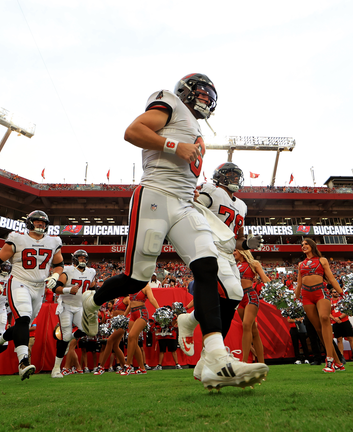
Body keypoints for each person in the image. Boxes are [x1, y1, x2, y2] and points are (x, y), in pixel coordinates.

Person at [79, 74, 268, 389]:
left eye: (211, 98)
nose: (207, 101)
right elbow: (133, 131)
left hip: (183, 205)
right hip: (155, 195)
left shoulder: (197, 130)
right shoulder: (171, 102)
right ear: (189, 90)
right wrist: (173, 145)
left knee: (207, 267)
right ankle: (93, 300)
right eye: (204, 95)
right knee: (136, 279)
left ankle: (216, 359)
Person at [178, 162, 262, 382]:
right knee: (233, 291)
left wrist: (248, 244)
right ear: (219, 177)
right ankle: (212, 351)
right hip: (211, 246)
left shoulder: (242, 206)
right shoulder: (212, 190)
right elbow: (192, 206)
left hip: (227, 251)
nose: (234, 178)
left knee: (235, 295)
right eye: (230, 174)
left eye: (237, 175)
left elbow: (237, 239)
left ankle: (205, 355)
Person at [0, 210, 64, 381]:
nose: (40, 225)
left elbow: (59, 265)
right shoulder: (17, 238)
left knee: (25, 323)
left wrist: (55, 276)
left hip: (39, 287)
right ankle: (23, 362)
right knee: (23, 318)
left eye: (43, 223)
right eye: (37, 222)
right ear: (29, 223)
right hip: (19, 282)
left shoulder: (53, 241)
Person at [294, 238, 344, 373]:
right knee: (318, 329)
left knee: (324, 318)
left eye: (306, 244)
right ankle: (338, 362)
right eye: (302, 245)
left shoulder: (322, 260)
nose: (303, 246)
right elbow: (298, 284)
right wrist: (294, 299)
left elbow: (331, 278)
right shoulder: (300, 264)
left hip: (320, 292)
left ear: (312, 246)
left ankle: (329, 360)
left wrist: (341, 293)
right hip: (306, 295)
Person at [50, 249, 97, 378]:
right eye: (80, 257)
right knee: (64, 336)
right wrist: (68, 289)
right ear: (75, 259)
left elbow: (92, 288)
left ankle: (70, 338)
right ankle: (56, 369)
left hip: (80, 306)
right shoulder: (68, 271)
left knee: (87, 330)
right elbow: (55, 288)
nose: (83, 260)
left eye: (84, 258)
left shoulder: (91, 272)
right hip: (66, 306)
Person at [235, 249, 270, 364]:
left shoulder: (254, 263)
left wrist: (276, 289)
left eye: (235, 251)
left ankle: (244, 362)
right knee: (253, 330)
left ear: (241, 251)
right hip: (239, 298)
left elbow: (265, 279)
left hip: (250, 295)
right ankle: (262, 364)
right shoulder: (234, 266)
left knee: (246, 325)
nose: (233, 253)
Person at [120, 286, 160, 375]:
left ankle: (127, 365)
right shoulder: (133, 286)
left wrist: (159, 309)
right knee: (132, 340)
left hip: (141, 313)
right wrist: (124, 316)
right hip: (132, 314)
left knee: (131, 336)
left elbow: (152, 299)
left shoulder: (146, 286)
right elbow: (130, 304)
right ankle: (142, 368)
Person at [95, 297, 129, 374]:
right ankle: (124, 367)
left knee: (110, 341)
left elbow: (131, 307)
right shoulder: (117, 299)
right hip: (115, 325)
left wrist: (125, 317)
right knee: (115, 346)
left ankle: (101, 367)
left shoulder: (127, 299)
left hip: (121, 324)